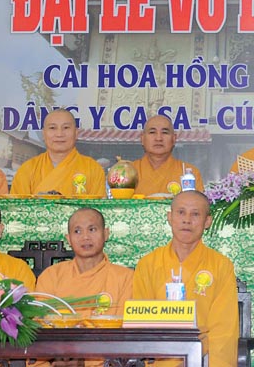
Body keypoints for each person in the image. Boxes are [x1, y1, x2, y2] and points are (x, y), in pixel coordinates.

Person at [133, 191, 238, 366]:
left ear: (207, 222)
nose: (187, 220)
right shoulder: (148, 264)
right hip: (159, 360)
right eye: (181, 212)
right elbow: (141, 324)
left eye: (195, 214)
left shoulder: (221, 266)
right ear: (170, 217)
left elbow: (223, 331)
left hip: (203, 359)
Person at [36, 207, 133, 316]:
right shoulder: (52, 276)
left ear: (106, 234)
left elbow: (125, 323)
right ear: (69, 239)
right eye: (77, 231)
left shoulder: (125, 278)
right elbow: (41, 320)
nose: (85, 237)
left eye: (92, 229)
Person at [11, 109, 105, 196]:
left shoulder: (93, 169)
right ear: (44, 133)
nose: (59, 134)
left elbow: (98, 207)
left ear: (76, 133)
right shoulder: (27, 169)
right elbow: (16, 206)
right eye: (52, 128)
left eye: (66, 127)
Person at [132, 115, 204, 195]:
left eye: (165, 132)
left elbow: (198, 202)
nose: (158, 138)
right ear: (142, 139)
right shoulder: (128, 172)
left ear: (174, 139)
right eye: (152, 132)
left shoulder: (189, 173)